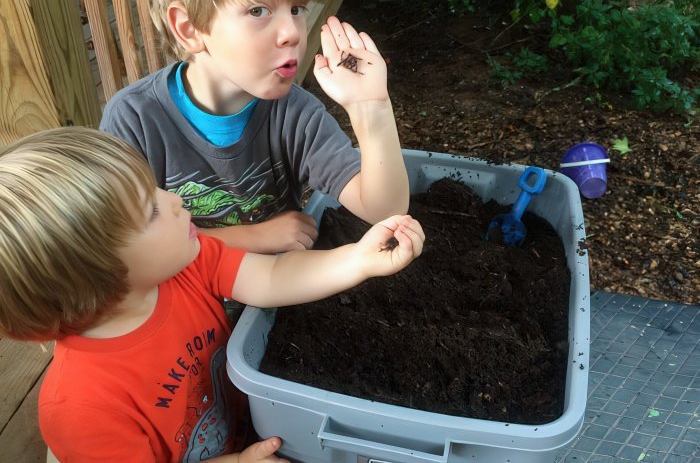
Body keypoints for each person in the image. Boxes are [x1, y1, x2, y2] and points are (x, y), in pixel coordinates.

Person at [0, 127, 424, 463]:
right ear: (91, 274)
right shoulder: (81, 408)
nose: (174, 198)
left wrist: (356, 260)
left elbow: (271, 275)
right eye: (150, 209)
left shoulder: (185, 264)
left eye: (155, 188)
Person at [99, 0, 410, 255]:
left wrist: (371, 109)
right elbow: (123, 247)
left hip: (274, 299)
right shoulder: (134, 119)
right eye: (258, 10)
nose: (292, 31)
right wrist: (253, 238)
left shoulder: (295, 116)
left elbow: (384, 210)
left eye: (296, 8)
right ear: (190, 28)